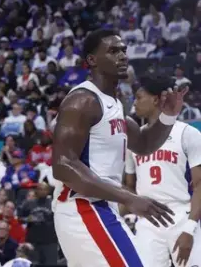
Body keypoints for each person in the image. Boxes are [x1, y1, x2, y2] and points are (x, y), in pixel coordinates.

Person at [52, 29, 187, 266]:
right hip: (83, 207)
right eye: (113, 51)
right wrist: (129, 197)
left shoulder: (114, 102)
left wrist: (168, 116)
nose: (123, 56)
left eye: (123, 50)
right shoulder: (83, 101)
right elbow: (63, 166)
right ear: (91, 60)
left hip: (103, 206)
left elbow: (144, 143)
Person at [125, 73, 201, 267]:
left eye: (140, 97)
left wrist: (190, 227)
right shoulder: (134, 140)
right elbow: (129, 185)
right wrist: (134, 210)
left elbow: (200, 184)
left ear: (157, 99)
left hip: (181, 215)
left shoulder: (187, 132)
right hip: (147, 221)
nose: (135, 103)